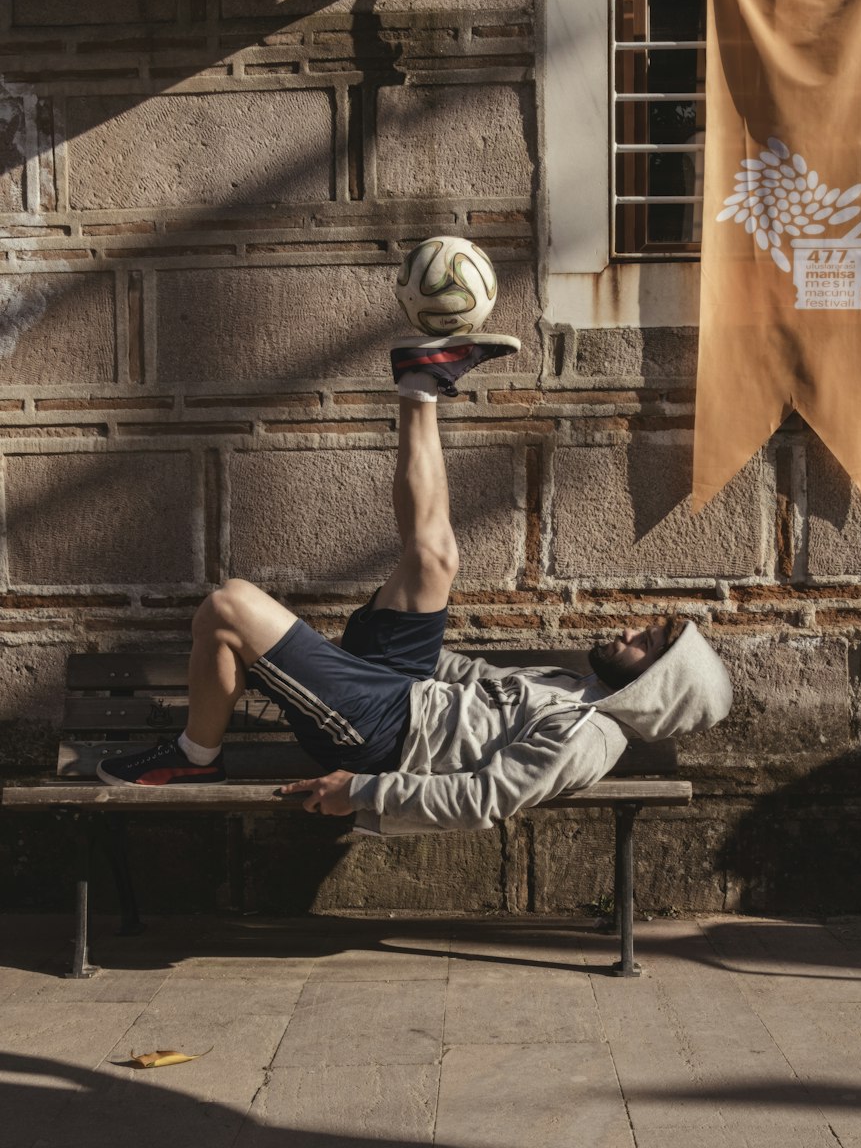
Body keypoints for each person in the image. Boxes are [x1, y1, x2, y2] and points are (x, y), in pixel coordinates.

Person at [97, 334, 733, 831]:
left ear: (657, 688)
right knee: (434, 558)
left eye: (646, 642)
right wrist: (336, 663)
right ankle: (422, 381)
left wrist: (363, 790)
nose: (629, 630)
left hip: (384, 735)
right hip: (397, 686)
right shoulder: (573, 688)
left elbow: (484, 797)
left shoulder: (588, 739)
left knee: (228, 606)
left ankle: (193, 759)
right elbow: (468, 680)